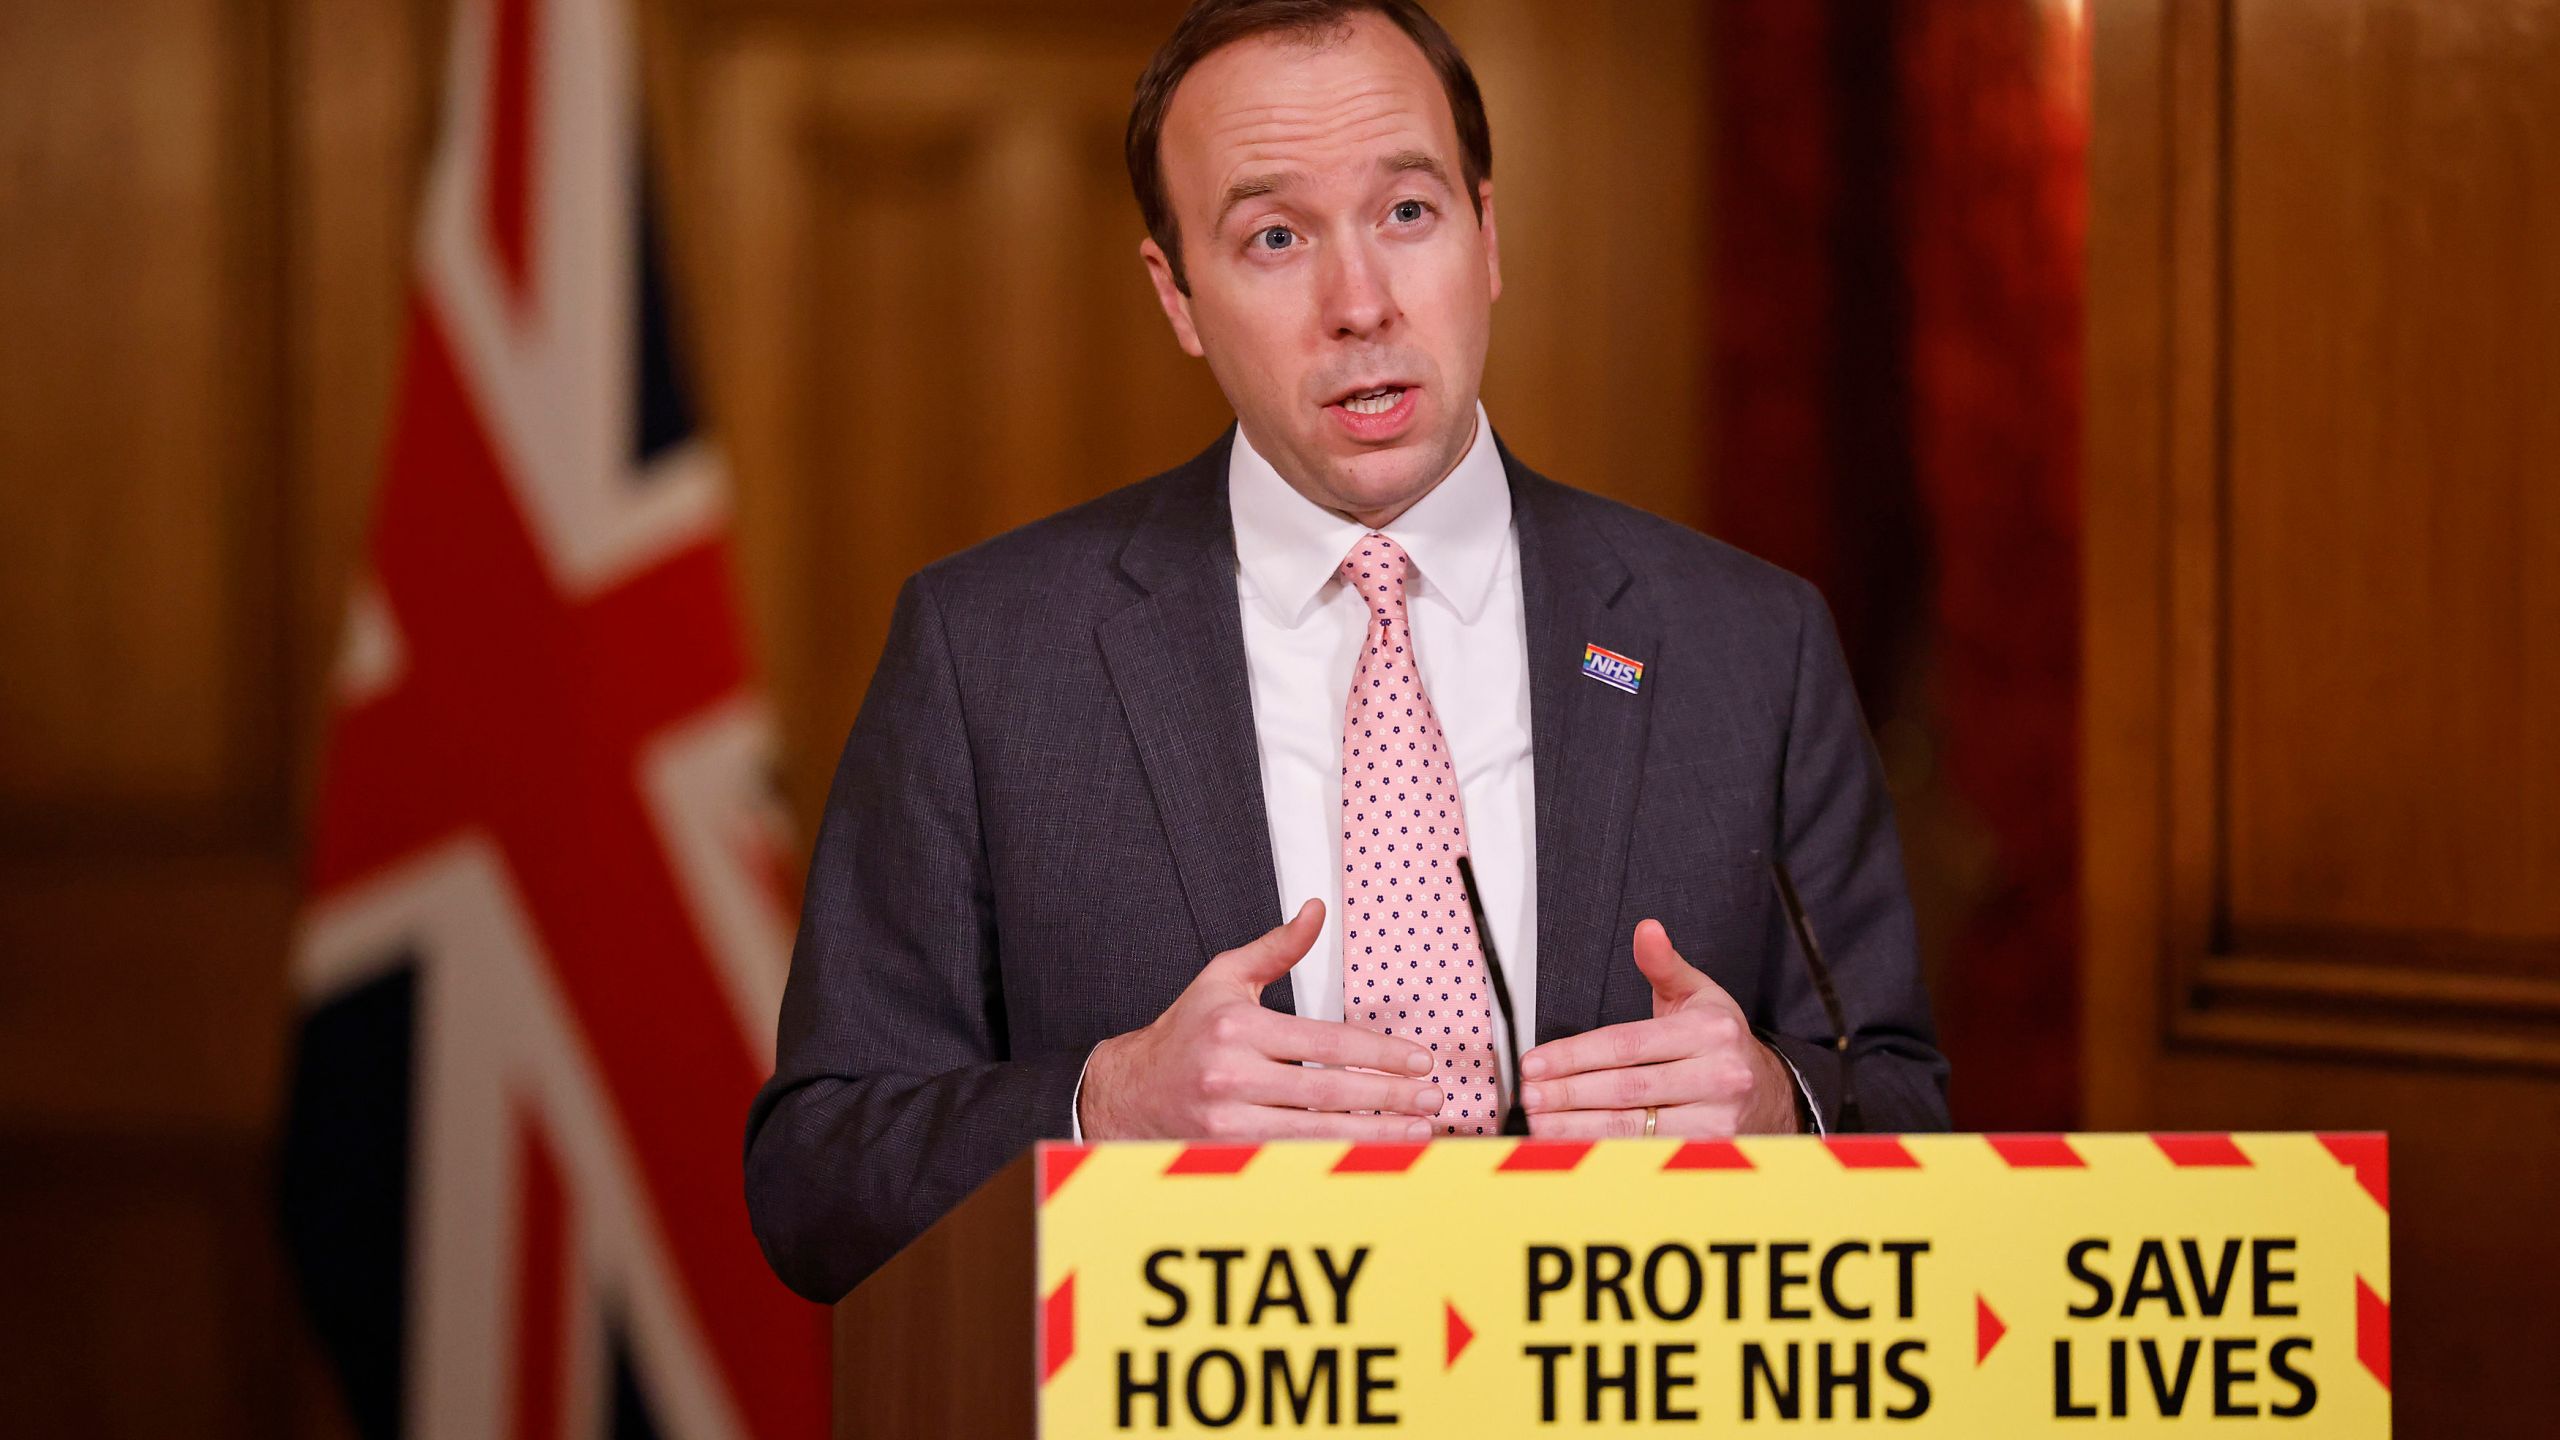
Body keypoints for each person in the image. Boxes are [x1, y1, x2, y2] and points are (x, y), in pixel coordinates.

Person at [744, 0, 1948, 1304]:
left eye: (1409, 215)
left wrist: (1784, 1112)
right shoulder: (990, 657)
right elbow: (815, 1182)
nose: (1360, 302)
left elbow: (1905, 1108)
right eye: (1273, 238)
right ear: (1179, 295)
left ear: (1488, 236)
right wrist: (1107, 1112)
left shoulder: (1745, 644)